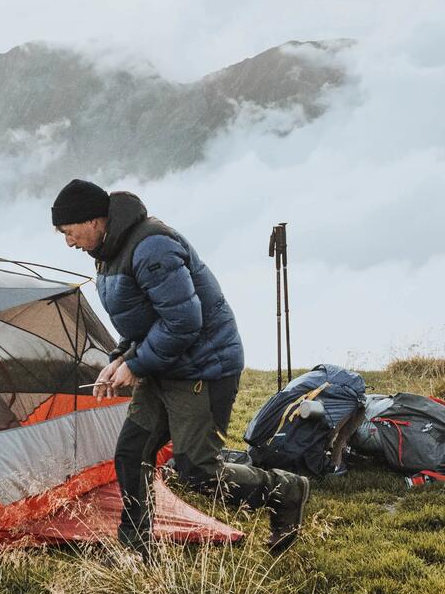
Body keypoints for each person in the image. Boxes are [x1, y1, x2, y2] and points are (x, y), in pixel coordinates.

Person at [51, 178, 311, 556]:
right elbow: (141, 320)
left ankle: (287, 491)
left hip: (202, 369)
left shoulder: (152, 246)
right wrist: (119, 359)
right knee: (132, 453)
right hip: (164, 366)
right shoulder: (110, 251)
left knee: (197, 472)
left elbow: (184, 322)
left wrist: (137, 364)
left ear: (93, 220)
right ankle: (136, 549)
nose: (68, 241)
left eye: (68, 231)